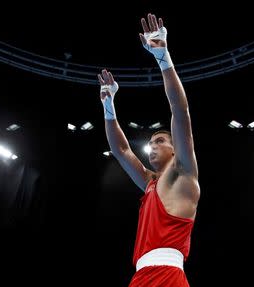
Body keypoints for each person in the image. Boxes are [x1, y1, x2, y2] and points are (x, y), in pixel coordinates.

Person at [98, 13, 200, 287]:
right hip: (140, 276)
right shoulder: (149, 183)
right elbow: (121, 150)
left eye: (160, 141)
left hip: (168, 275)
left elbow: (180, 110)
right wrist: (109, 106)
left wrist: (163, 58)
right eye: (151, 143)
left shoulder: (184, 172)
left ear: (175, 148)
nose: (152, 147)